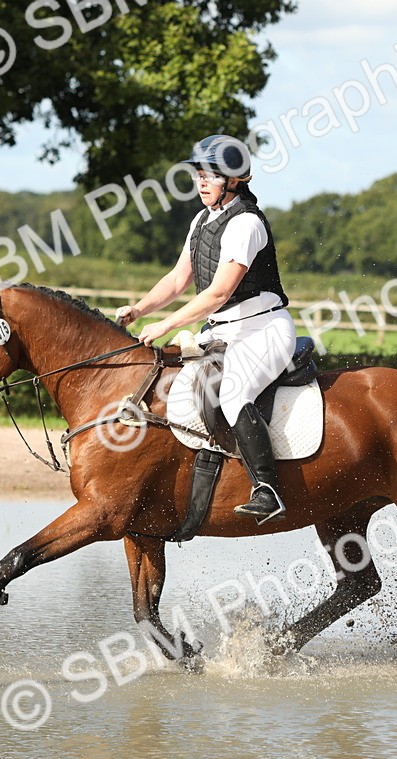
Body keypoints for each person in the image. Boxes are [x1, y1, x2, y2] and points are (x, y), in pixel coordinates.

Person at [116, 134, 296, 524]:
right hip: (224, 332)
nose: (201, 182)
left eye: (209, 175)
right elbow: (179, 278)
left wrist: (166, 323)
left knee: (232, 396)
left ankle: (268, 489)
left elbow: (218, 293)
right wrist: (140, 308)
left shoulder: (246, 223)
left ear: (233, 181)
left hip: (263, 330)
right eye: (198, 174)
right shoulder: (201, 220)